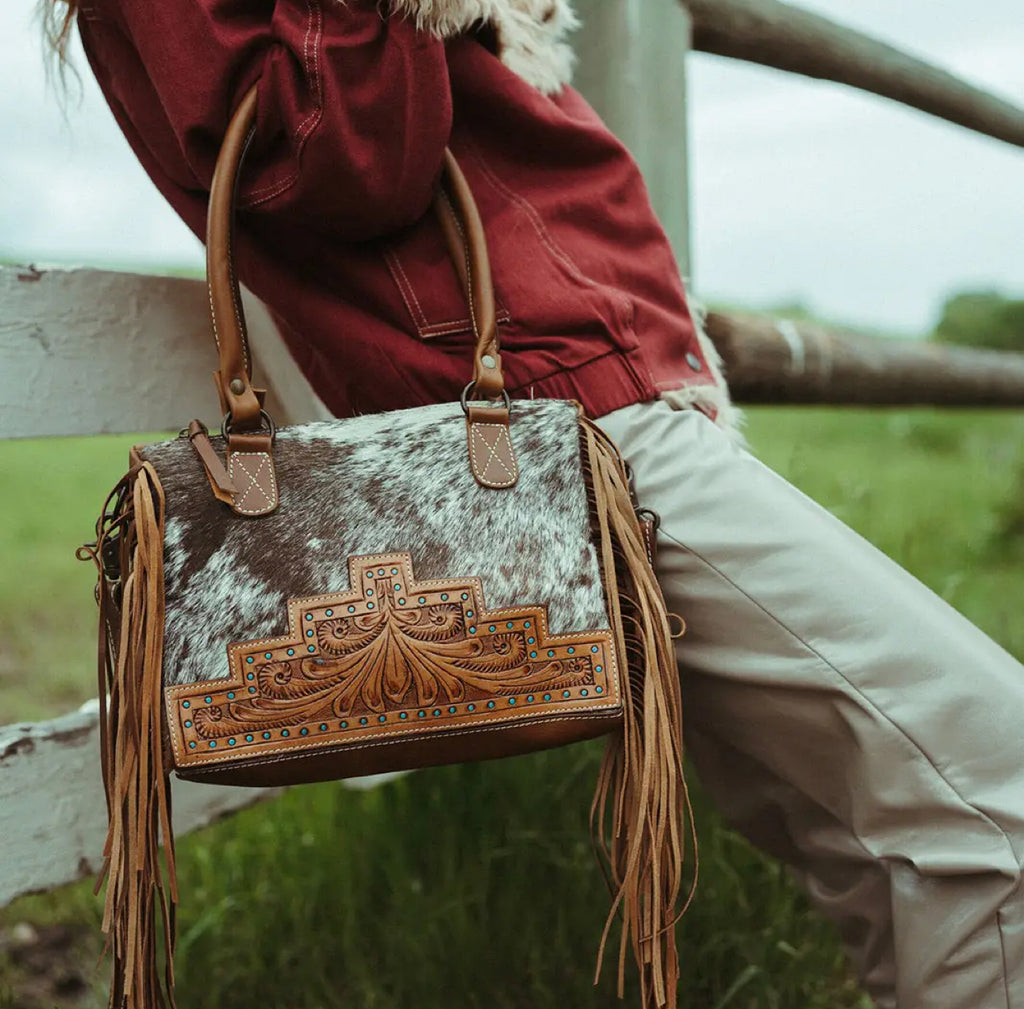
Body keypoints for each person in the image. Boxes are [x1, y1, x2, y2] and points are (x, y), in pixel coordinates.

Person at [46, 1, 1024, 1006]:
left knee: (862, 832)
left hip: (591, 396)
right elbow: (340, 158)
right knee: (997, 794)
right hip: (566, 422)